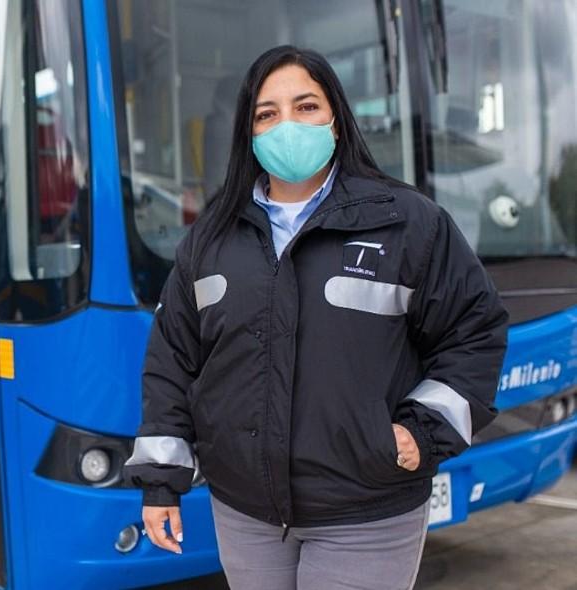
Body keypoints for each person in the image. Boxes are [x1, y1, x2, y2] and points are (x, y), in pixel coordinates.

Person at [122, 45, 508, 590]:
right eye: (267, 113)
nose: (287, 126)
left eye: (306, 107)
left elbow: (476, 331)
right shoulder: (210, 239)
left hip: (365, 508)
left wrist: (423, 430)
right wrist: (161, 482)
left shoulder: (408, 224)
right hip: (246, 513)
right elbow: (172, 362)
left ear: (336, 119)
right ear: (249, 134)